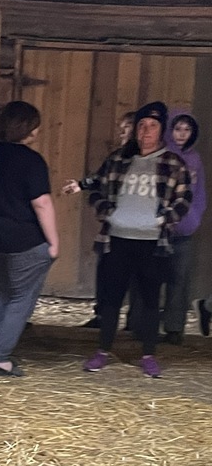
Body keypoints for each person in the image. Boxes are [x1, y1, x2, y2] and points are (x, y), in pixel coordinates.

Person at [82, 101, 192, 378]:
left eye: (152, 126)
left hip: (152, 242)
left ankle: (148, 354)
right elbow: (96, 184)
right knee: (111, 299)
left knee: (150, 300)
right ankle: (103, 350)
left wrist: (164, 219)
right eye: (142, 125)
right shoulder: (119, 158)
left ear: (161, 130)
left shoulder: (172, 162)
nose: (145, 131)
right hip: (117, 238)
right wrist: (105, 210)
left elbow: (184, 198)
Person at [0, 101, 59, 377]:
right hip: (24, 240)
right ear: (31, 130)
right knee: (21, 298)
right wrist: (54, 242)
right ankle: (0, 357)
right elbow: (42, 204)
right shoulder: (31, 160)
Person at [62, 111, 135, 329]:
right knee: (105, 272)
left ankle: (133, 321)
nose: (123, 130)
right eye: (121, 126)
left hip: (136, 228)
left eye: (128, 126)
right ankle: (102, 316)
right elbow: (99, 178)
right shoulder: (114, 157)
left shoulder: (144, 161)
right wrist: (81, 185)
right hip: (112, 227)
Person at [162, 111, 206, 344]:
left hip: (184, 229)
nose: (182, 134)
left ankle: (174, 328)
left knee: (179, 279)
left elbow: (199, 193)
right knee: (149, 278)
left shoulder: (194, 159)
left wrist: (193, 219)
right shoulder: (163, 155)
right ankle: (140, 324)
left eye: (187, 130)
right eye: (178, 129)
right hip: (159, 228)